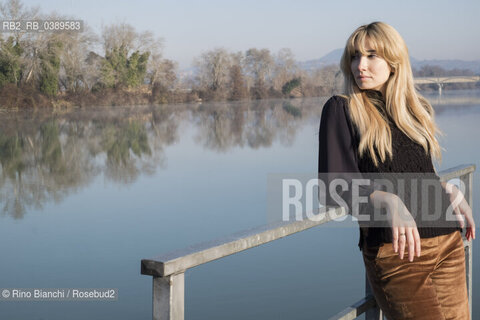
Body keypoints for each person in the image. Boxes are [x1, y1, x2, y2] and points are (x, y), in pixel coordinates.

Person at [318, 21, 475, 319]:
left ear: (394, 62)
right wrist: (387, 199)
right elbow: (333, 187)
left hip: (448, 240)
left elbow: (415, 173)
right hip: (397, 251)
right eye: (354, 56)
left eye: (371, 55)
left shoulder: (416, 111)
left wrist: (447, 189)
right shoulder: (342, 108)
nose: (360, 65)